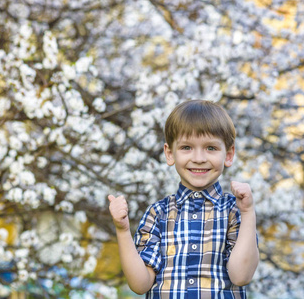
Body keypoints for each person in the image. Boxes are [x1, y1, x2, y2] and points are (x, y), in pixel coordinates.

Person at [108, 99, 259, 298]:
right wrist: (123, 230)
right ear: (170, 154)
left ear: (228, 154)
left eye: (211, 148)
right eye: (186, 147)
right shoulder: (158, 213)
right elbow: (140, 284)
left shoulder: (234, 211)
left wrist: (248, 212)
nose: (198, 158)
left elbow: (241, 276)